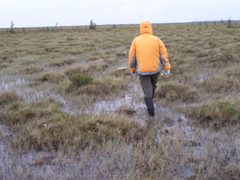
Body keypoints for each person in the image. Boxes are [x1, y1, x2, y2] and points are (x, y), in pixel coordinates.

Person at [128, 21, 171, 117]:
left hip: (142, 70)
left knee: (148, 89)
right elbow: (163, 55)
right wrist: (166, 67)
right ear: (150, 28)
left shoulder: (136, 40)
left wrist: (132, 69)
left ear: (141, 28)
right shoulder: (157, 39)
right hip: (156, 69)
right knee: (152, 86)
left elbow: (132, 57)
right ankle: (151, 105)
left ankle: (151, 113)